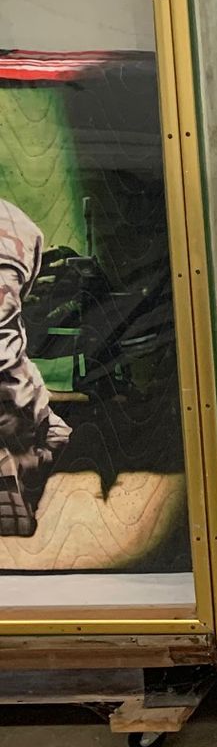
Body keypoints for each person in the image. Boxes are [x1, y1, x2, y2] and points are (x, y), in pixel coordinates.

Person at [0, 198, 69, 538]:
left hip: (12, 394)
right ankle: (27, 458)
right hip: (17, 385)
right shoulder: (18, 221)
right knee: (54, 432)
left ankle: (18, 458)